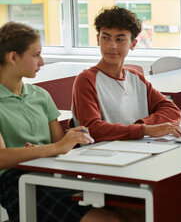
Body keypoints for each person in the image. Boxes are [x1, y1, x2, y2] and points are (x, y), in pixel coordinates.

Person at [0, 21, 134, 222]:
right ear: (13, 57)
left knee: (135, 213)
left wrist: (75, 139)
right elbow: (2, 159)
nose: (42, 62)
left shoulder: (40, 95)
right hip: (18, 182)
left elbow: (61, 146)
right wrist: (53, 148)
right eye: (36, 55)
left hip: (54, 172)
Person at [72, 6, 181, 143]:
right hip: (103, 154)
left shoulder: (135, 77)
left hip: (136, 148)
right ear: (98, 39)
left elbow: (172, 111)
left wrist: (140, 126)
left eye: (120, 39)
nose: (112, 46)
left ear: (133, 43)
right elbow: (93, 129)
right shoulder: (86, 80)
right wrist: (144, 130)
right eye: (106, 38)